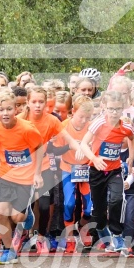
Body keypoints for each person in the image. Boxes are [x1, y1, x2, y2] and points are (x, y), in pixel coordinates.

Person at [0, 91, 44, 265]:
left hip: (26, 177)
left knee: (17, 217)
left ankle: (28, 216)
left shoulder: (27, 128)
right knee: (1, 211)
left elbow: (39, 148)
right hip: (5, 174)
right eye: (1, 109)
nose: (5, 113)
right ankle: (9, 250)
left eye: (9, 109)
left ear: (16, 109)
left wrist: (38, 173)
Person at [80, 91, 134, 255]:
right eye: (111, 109)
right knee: (98, 210)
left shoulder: (125, 126)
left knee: (117, 199)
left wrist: (131, 157)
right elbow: (84, 143)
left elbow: (132, 138)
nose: (114, 112)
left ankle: (117, 235)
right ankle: (104, 234)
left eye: (117, 109)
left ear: (122, 109)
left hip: (115, 170)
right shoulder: (98, 124)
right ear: (104, 107)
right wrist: (94, 158)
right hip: (96, 170)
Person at [19, 86, 63, 254]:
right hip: (23, 168)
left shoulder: (52, 120)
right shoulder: (19, 120)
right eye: (34, 102)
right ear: (28, 102)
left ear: (46, 103)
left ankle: (41, 237)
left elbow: (66, 138)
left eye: (41, 102)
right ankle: (22, 234)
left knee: (44, 206)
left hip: (44, 167)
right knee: (23, 208)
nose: (37, 105)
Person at [51, 95, 94, 253]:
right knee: (69, 204)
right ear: (73, 112)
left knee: (89, 209)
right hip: (68, 168)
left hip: (86, 169)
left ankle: (83, 227)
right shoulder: (64, 126)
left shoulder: (92, 127)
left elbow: (96, 147)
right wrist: (71, 146)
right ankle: (69, 237)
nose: (84, 120)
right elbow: (55, 150)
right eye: (81, 116)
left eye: (87, 117)